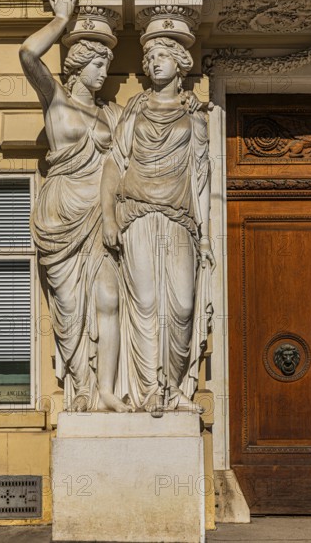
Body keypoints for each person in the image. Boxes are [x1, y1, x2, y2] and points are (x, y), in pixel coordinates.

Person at [19, 0, 131, 412]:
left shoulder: (115, 115)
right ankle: (81, 391)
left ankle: (106, 390)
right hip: (61, 211)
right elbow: (28, 54)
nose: (104, 72)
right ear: (77, 66)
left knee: (108, 298)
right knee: (69, 310)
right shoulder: (56, 101)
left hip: (100, 212)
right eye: (96, 64)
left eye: (106, 64)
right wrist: (62, 18)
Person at [101, 36, 215, 412]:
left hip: (180, 218)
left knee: (181, 305)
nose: (153, 63)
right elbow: (115, 164)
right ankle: (151, 389)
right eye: (149, 57)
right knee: (146, 302)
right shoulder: (134, 108)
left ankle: (175, 386)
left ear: (180, 63)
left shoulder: (194, 116)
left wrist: (206, 238)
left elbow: (201, 179)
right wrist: (107, 218)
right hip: (137, 214)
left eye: (162, 56)